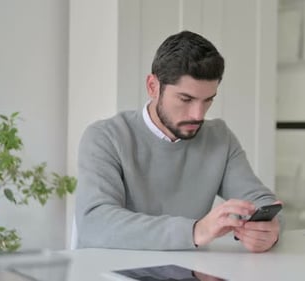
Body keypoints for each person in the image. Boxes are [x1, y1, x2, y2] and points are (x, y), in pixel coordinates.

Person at [75, 30, 281, 253]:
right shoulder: (105, 137)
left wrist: (268, 229)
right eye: (186, 99)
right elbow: (94, 222)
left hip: (187, 270)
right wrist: (195, 231)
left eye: (208, 100)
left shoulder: (219, 137)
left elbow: (261, 200)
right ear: (153, 87)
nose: (198, 115)